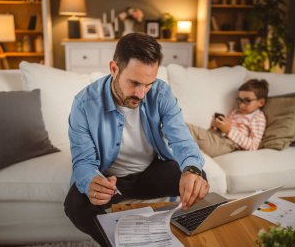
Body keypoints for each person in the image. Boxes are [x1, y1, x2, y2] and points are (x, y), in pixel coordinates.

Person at [64, 33, 209, 246]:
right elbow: (83, 162)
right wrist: (92, 183)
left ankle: (169, 238)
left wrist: (192, 171)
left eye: (148, 84)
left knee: (198, 177)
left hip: (151, 172)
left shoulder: (161, 93)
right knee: (75, 206)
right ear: (114, 69)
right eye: (134, 83)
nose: (141, 94)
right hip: (111, 180)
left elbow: (182, 141)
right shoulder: (84, 104)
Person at [187, 79, 269, 158]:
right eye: (239, 100)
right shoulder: (235, 112)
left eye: (247, 100)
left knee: (188, 133)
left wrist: (229, 131)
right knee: (185, 127)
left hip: (229, 144)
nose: (242, 105)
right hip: (216, 135)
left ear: (261, 102)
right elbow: (223, 128)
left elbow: (253, 146)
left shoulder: (258, 118)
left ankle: (194, 149)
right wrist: (215, 125)